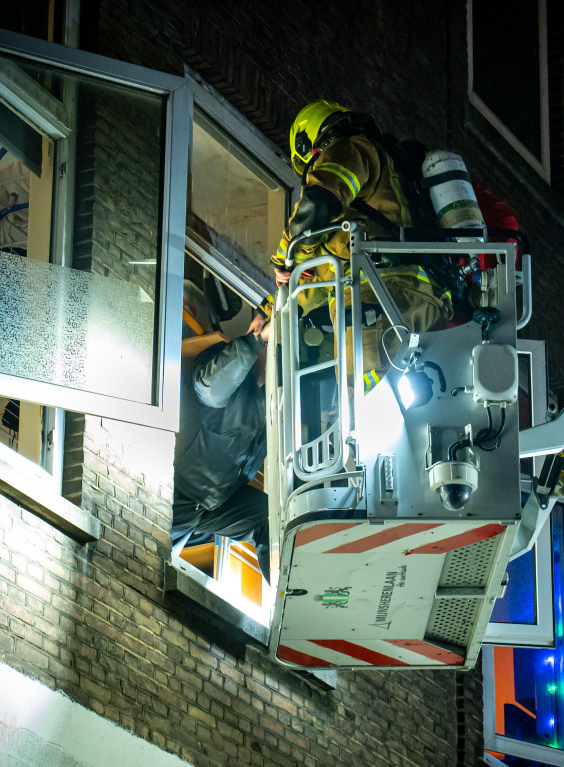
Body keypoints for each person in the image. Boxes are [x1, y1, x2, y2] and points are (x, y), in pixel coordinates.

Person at [268, 99, 453, 388]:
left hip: (377, 302)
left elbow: (318, 203)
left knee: (368, 415)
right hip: (420, 302)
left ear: (309, 146)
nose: (317, 169)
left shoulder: (350, 147)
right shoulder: (369, 203)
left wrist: (284, 257)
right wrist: (268, 312)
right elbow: (312, 280)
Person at [172, 282, 272, 581]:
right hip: (177, 498)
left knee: (273, 519)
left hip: (217, 503)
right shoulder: (218, 363)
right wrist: (257, 340)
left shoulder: (270, 401)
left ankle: (289, 599)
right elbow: (212, 389)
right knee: (140, 555)